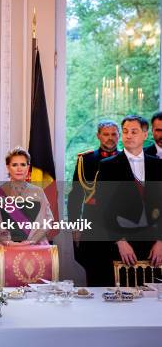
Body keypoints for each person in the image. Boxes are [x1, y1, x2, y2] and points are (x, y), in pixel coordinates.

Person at [95, 115, 162, 285]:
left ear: (145, 134)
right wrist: (120, 241)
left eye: (134, 131)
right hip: (121, 245)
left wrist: (160, 241)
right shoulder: (107, 165)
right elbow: (103, 209)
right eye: (125, 131)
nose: (128, 135)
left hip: (154, 245)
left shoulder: (158, 165)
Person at [67, 120, 119, 286]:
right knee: (95, 275)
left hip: (120, 228)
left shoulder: (127, 160)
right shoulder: (86, 161)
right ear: (98, 136)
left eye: (113, 134)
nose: (110, 138)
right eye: (106, 134)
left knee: (119, 276)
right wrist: (75, 226)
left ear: (118, 136)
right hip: (92, 226)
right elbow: (75, 196)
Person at [0, 146, 54, 246]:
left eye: (23, 164)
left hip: (35, 245)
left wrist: (32, 240)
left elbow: (48, 220)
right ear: (8, 167)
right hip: (6, 247)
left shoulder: (38, 192)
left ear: (28, 167)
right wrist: (9, 243)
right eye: (14, 165)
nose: (19, 169)